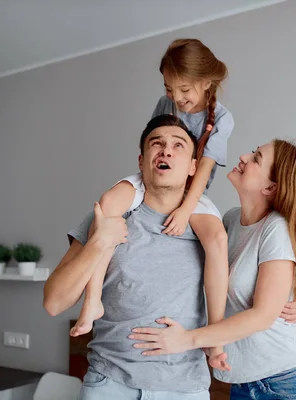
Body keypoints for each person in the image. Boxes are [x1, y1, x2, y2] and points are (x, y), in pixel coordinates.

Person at [71, 39, 235, 362]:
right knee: (108, 205)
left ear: (206, 83)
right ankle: (92, 300)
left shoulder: (222, 119)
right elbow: (153, 142)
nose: (177, 98)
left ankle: (215, 339)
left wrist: (187, 207)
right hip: (153, 180)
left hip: (192, 189)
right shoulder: (166, 104)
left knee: (216, 238)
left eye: (184, 90)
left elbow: (203, 168)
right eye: (170, 89)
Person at [129, 139, 296, 399]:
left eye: (256, 158)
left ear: (271, 187)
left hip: (289, 381)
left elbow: (263, 316)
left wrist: (189, 339)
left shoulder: (276, 229)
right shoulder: (231, 220)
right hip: (245, 382)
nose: (244, 156)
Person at [43, 114, 218, 399]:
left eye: (178, 145)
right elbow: (53, 302)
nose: (166, 150)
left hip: (185, 390)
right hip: (109, 384)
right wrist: (98, 242)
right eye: (156, 143)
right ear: (141, 161)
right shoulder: (108, 216)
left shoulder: (210, 231)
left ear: (192, 167)